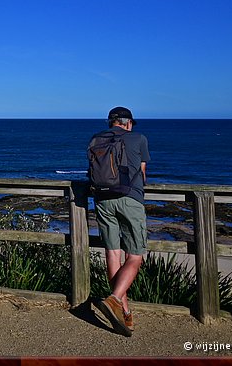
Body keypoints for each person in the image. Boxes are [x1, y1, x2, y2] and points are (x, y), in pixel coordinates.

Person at [90, 106, 150, 337]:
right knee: (135, 255)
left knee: (112, 253)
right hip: (130, 198)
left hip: (103, 199)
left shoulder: (95, 139)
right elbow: (142, 172)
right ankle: (115, 299)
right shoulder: (138, 138)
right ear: (127, 122)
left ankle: (124, 312)